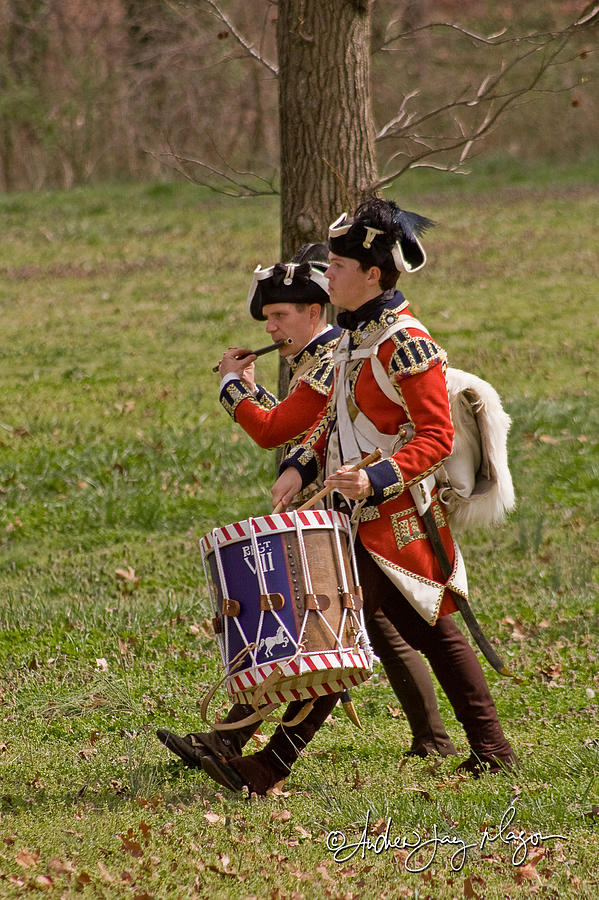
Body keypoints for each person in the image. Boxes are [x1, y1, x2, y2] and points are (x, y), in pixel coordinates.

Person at [196, 200, 516, 795]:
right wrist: (301, 464)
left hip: (397, 520)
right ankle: (490, 751)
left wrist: (374, 478)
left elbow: (436, 438)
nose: (329, 274)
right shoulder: (350, 340)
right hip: (352, 516)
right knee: (395, 635)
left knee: (373, 633)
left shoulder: (407, 344)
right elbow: (335, 423)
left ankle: (262, 760)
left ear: (373, 274)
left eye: (339, 265)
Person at [157, 243, 457, 788]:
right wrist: (279, 434)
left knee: (335, 632)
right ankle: (437, 738)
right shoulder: (327, 355)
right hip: (340, 509)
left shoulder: (334, 353)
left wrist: (230, 388)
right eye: (268, 318)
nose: (270, 328)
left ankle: (248, 750)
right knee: (380, 626)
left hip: (368, 508)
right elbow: (309, 427)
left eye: (279, 316)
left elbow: (274, 429)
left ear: (314, 313)